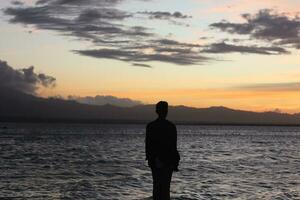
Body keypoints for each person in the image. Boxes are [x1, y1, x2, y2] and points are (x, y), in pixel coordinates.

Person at [145, 101, 180, 200]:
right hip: (168, 161)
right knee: (165, 188)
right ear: (166, 111)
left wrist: (150, 159)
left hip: (155, 160)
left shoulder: (151, 126)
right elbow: (174, 146)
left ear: (156, 111)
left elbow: (148, 145)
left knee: (156, 186)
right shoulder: (171, 126)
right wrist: (175, 162)